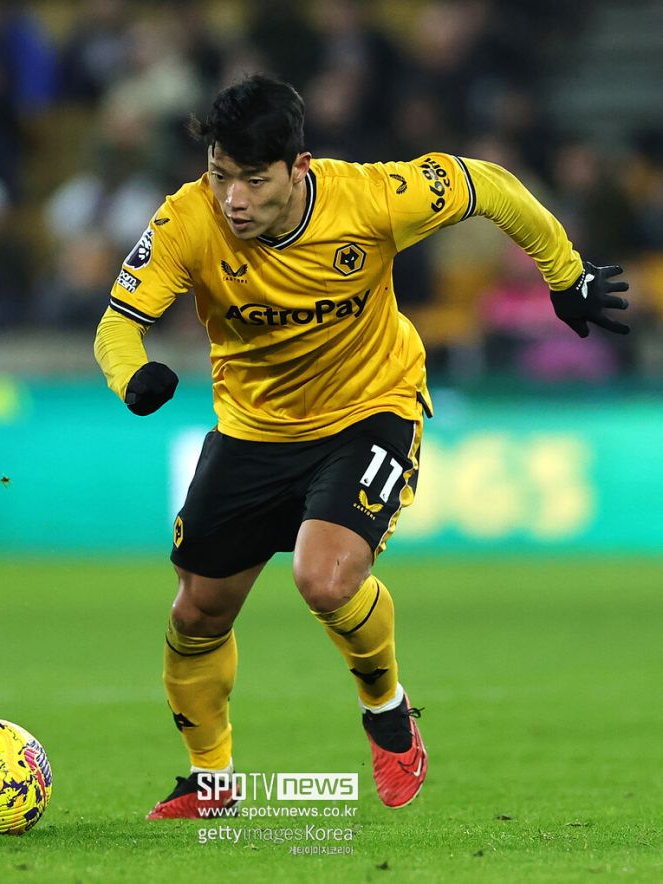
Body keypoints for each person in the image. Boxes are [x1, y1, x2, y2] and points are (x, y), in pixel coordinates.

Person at [94, 74, 630, 819]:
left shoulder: (373, 198)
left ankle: (386, 707)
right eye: (220, 176)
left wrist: (565, 274)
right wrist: (133, 376)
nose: (234, 199)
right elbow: (116, 325)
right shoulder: (187, 219)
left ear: (298, 167)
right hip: (254, 431)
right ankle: (211, 781)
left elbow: (489, 184)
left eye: (253, 180)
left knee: (325, 577)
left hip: (369, 410)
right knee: (196, 615)